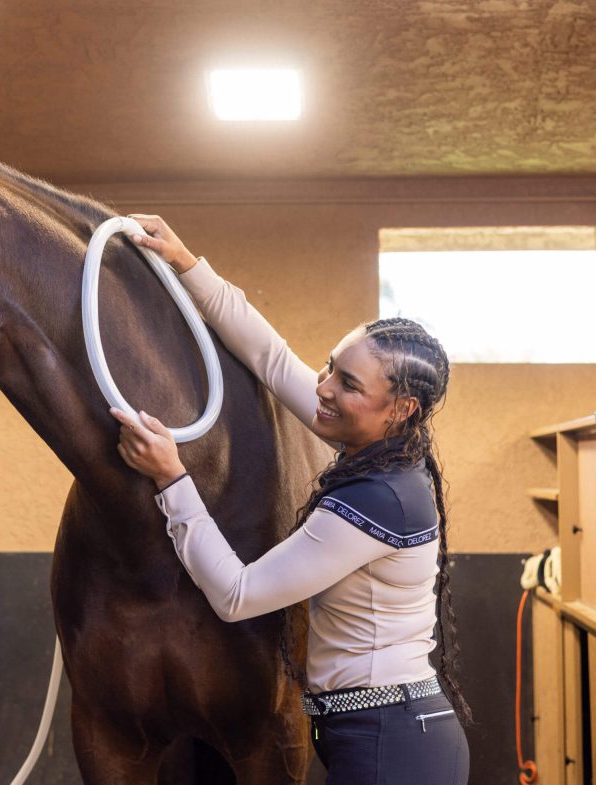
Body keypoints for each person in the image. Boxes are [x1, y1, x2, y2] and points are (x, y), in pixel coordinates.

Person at [110, 214, 470, 785]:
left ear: (400, 409)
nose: (323, 387)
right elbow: (273, 359)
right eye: (331, 367)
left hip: (392, 744)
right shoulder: (381, 447)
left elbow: (238, 595)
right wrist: (187, 264)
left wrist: (171, 478)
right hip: (381, 733)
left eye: (349, 384)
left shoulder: (380, 498)